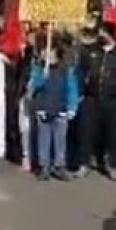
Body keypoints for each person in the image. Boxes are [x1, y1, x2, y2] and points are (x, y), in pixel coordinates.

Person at [28, 43, 79, 182]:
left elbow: (71, 88)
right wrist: (40, 77)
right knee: (44, 139)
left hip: (60, 109)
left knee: (60, 140)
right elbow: (32, 89)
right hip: (44, 109)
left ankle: (59, 165)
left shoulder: (65, 70)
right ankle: (44, 166)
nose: (46, 55)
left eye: (49, 51)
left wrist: (72, 107)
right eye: (44, 52)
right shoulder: (38, 69)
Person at [95, 22, 116, 181]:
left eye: (102, 32)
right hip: (97, 98)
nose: (100, 35)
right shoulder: (97, 52)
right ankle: (97, 160)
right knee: (96, 131)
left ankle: (114, 165)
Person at [75, 26, 104, 177]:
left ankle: (103, 161)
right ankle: (83, 163)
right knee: (85, 131)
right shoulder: (85, 52)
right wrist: (80, 91)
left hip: (106, 95)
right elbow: (79, 73)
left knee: (104, 131)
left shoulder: (104, 51)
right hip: (88, 96)